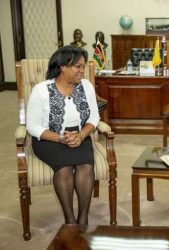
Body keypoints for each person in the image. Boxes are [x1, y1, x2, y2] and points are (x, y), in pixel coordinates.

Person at [26, 45, 100, 225]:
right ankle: (70, 221)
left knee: (86, 167)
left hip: (79, 135)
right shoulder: (41, 90)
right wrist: (60, 138)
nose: (82, 71)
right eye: (78, 66)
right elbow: (33, 126)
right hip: (49, 138)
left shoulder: (87, 86)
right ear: (62, 67)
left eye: (83, 66)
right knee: (64, 168)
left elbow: (94, 117)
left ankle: (83, 219)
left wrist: (81, 135)